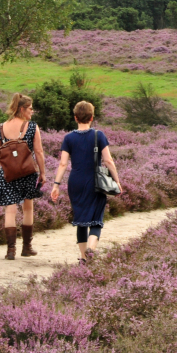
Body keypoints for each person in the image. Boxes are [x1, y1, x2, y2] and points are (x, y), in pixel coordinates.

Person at [50, 101, 121, 265]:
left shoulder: (68, 138)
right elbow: (108, 160)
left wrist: (56, 185)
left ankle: (83, 258)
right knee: (96, 219)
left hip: (75, 182)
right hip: (95, 182)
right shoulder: (99, 135)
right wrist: (116, 181)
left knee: (80, 219)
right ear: (92, 117)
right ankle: (91, 248)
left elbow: (62, 164)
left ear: (75, 118)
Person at [0, 93, 46, 260]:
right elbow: (38, 151)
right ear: (22, 109)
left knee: (10, 210)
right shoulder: (31, 127)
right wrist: (42, 172)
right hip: (27, 173)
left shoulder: (1, 127)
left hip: (7, 173)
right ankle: (26, 247)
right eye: (30, 108)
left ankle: (10, 251)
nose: (32, 111)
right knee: (28, 208)